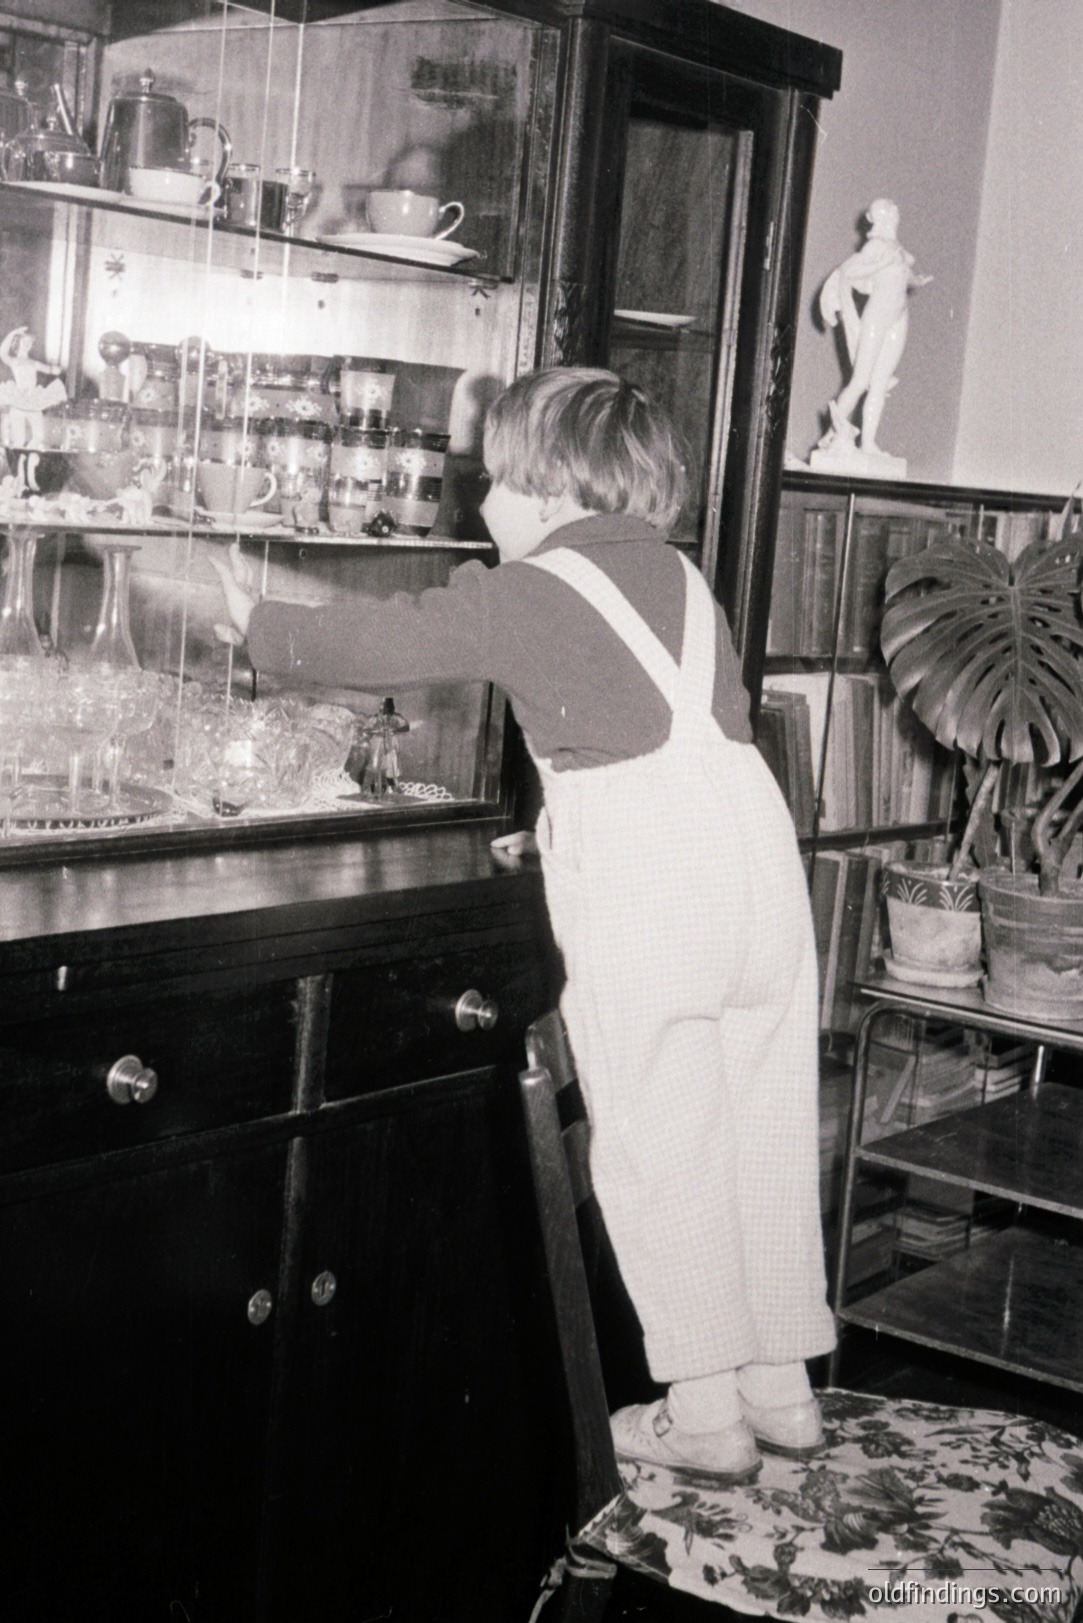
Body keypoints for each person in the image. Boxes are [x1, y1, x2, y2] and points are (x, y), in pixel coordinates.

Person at [212, 366, 836, 1479]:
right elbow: (662, 744)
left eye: (493, 481)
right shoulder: (688, 585)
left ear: (547, 493)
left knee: (662, 1138)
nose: (480, 505)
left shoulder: (535, 591)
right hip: (761, 879)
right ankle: (782, 1390)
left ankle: (702, 1418)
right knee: (762, 1125)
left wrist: (255, 619)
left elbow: (390, 642)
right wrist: (556, 832)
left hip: (657, 901)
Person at [817, 199, 930, 457]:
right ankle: (832, 433)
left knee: (879, 385)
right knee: (860, 380)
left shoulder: (896, 248)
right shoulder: (875, 246)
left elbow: (902, 273)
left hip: (898, 317)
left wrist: (916, 280)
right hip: (877, 316)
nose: (896, 212)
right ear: (883, 217)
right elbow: (850, 272)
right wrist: (882, 264)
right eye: (892, 209)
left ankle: (868, 443)